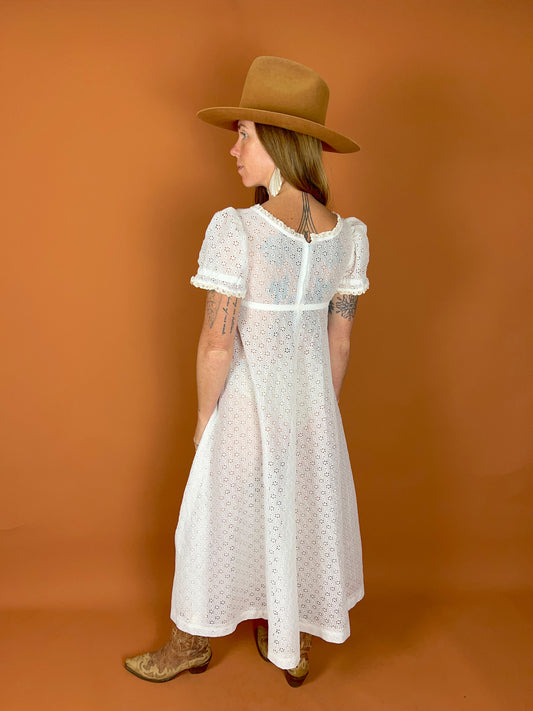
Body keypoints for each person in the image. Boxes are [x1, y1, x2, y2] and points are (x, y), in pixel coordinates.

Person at [124, 55, 370, 688]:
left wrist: (203, 419)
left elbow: (217, 341)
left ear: (280, 145)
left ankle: (190, 642)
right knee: (293, 510)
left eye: (245, 136)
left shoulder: (236, 230)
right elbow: (340, 339)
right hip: (312, 410)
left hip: (245, 403)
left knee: (213, 517)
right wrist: (319, 412)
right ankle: (288, 636)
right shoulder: (349, 236)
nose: (234, 150)